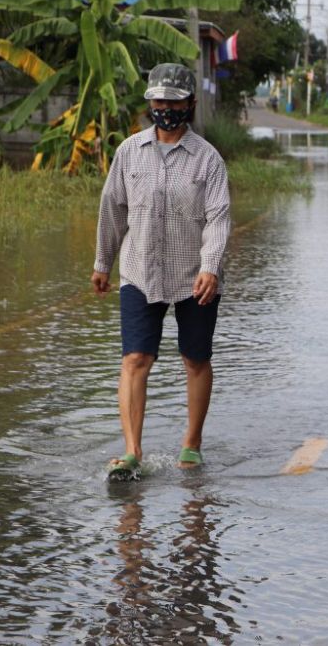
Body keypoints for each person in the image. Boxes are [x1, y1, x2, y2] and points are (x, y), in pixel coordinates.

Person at [92, 63, 232, 480]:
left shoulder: (208, 160)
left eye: (174, 101)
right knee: (136, 357)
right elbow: (112, 209)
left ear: (189, 104)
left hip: (196, 276)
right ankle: (132, 451)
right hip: (140, 270)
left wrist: (211, 266)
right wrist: (103, 262)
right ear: (149, 103)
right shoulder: (129, 152)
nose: (165, 108)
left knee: (195, 359)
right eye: (159, 101)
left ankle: (192, 443)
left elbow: (219, 218)